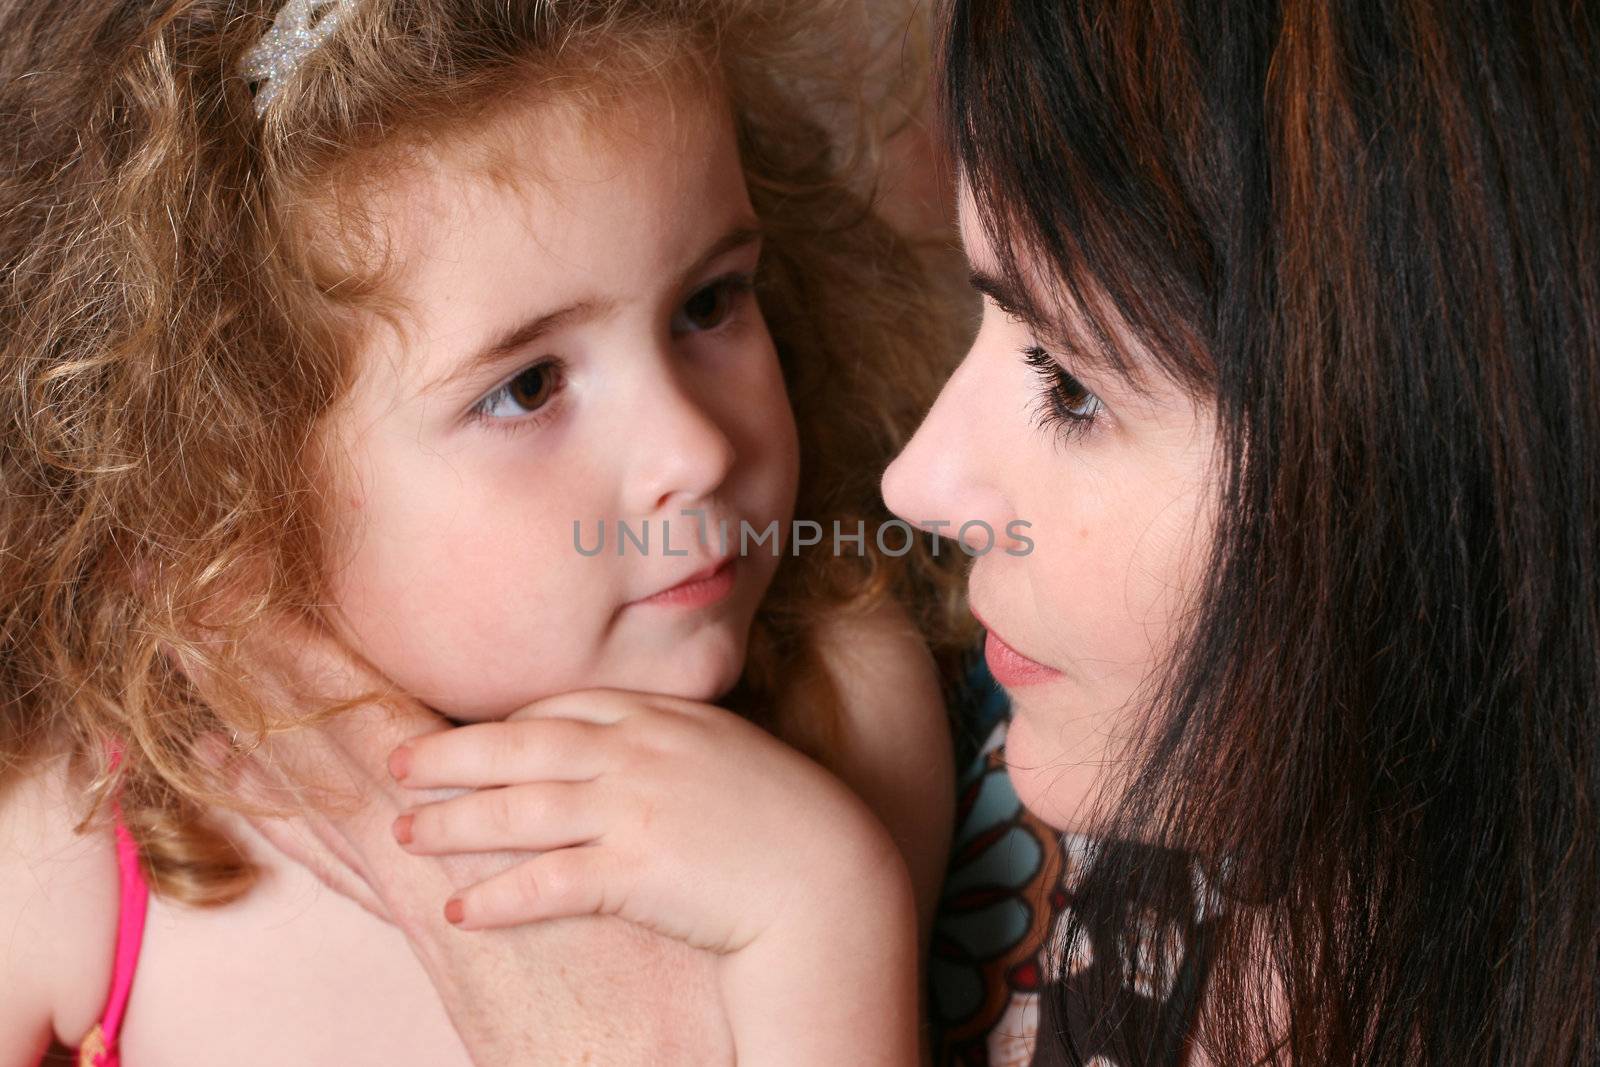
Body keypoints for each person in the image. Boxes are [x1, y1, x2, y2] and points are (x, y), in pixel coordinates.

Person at [234, 0, 1598, 1064]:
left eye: (1071, 380)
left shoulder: (869, 735)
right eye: (527, 383)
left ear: (1445, 454)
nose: (915, 483)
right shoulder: (124, 805)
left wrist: (817, 930)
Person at [0, 0, 977, 1063]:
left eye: (707, 304)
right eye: (528, 385)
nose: (693, 451)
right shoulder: (86, 838)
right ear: (234, 476)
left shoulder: (841, 710)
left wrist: (825, 909)